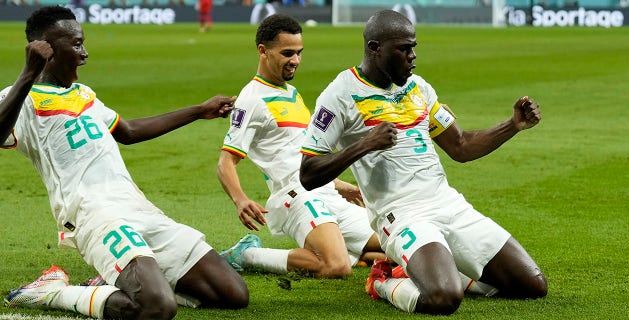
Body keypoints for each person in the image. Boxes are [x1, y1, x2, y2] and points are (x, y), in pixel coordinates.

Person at [0, 6, 247, 319]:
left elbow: (127, 132)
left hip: (137, 207)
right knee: (157, 307)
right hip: (95, 215)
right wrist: (28, 73)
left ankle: (119, 278)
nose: (85, 53)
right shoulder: (21, 98)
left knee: (232, 293)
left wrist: (199, 111)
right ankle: (54, 292)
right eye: (76, 45)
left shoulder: (84, 94)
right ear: (46, 50)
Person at [299, 9, 548, 315]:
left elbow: (461, 146)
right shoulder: (340, 95)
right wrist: (364, 145)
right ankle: (383, 280)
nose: (413, 55)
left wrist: (512, 125)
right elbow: (308, 173)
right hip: (400, 216)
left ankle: (447, 270)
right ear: (375, 48)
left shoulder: (419, 88)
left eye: (413, 46)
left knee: (533, 285)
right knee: (444, 299)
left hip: (447, 204)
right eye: (404, 49)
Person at [216, 13, 386, 279]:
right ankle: (248, 255)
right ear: (263, 51)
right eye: (287, 53)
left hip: (325, 193)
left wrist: (342, 187)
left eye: (299, 53)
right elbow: (226, 161)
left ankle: (350, 252)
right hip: (296, 196)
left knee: (393, 243)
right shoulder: (251, 99)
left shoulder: (291, 94)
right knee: (335, 267)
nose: (295, 60)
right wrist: (240, 200)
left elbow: (294, 154)